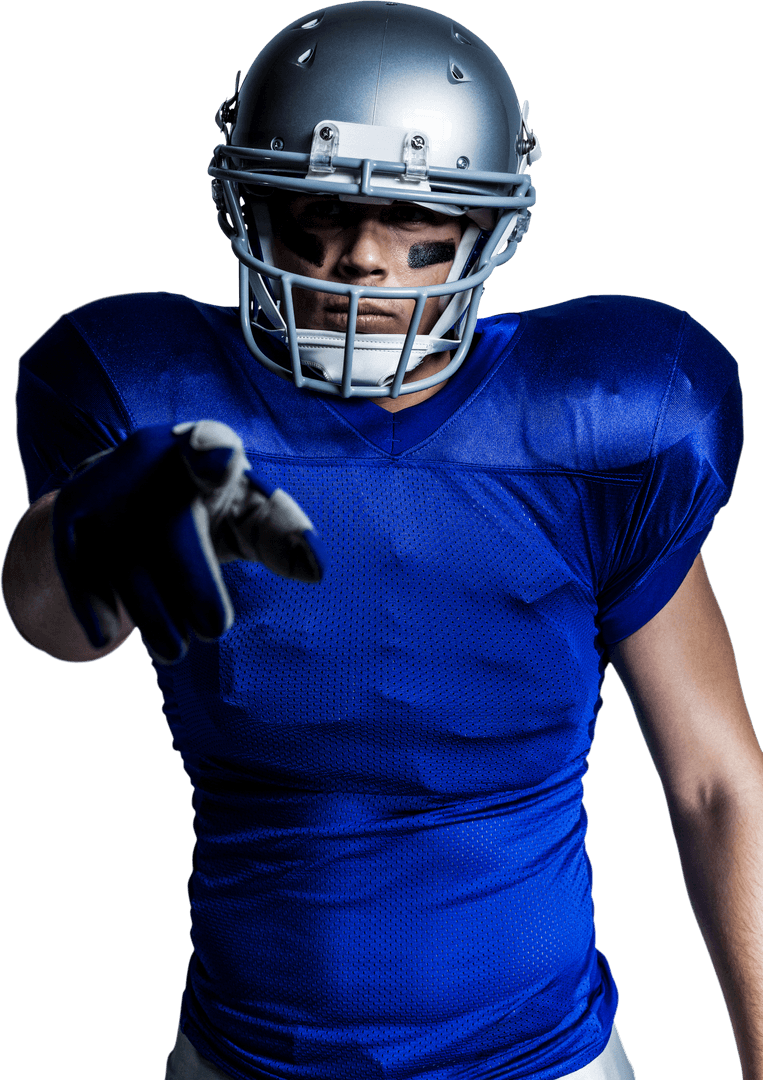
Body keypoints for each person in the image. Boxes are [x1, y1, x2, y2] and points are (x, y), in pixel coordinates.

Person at [2, 3, 761, 1079]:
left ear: (482, 228)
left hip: (541, 1060)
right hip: (243, 1059)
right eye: (320, 213)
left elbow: (716, 783)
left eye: (412, 222)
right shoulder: (158, 412)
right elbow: (51, 627)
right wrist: (84, 527)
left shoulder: (598, 428)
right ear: (252, 208)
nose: (360, 259)